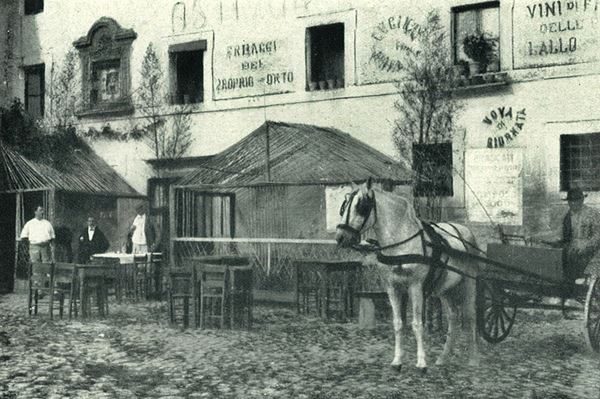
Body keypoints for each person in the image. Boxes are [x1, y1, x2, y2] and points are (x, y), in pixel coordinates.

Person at [544, 188, 600, 317]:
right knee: (554, 257)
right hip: (571, 248)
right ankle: (561, 292)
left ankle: (572, 293)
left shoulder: (593, 214)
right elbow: (560, 235)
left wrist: (586, 246)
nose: (573, 204)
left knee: (571, 258)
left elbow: (598, 235)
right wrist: (542, 239)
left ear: (581, 200)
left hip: (590, 252)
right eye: (570, 201)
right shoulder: (567, 216)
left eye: (575, 201)